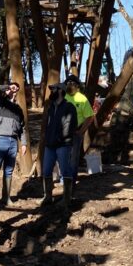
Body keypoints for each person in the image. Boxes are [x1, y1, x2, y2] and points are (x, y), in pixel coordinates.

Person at [0, 80, 28, 209]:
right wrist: (8, 87)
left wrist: (24, 143)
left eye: (16, 90)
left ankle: (6, 198)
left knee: (9, 171)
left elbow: (22, 128)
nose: (14, 91)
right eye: (12, 89)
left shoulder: (18, 109)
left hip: (13, 142)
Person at [41, 82, 79, 214]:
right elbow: (48, 124)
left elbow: (70, 126)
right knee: (46, 170)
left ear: (61, 91)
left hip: (63, 145)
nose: (51, 91)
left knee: (65, 171)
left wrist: (60, 138)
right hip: (50, 145)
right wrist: (47, 138)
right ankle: (47, 197)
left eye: (54, 89)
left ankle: (66, 200)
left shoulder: (69, 107)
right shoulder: (51, 107)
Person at [64, 75, 95, 186]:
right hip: (62, 132)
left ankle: (71, 181)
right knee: (63, 156)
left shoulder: (82, 99)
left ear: (77, 86)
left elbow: (90, 117)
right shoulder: (63, 96)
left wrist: (81, 131)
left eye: (72, 83)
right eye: (68, 83)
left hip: (75, 132)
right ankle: (64, 179)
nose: (70, 85)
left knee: (73, 158)